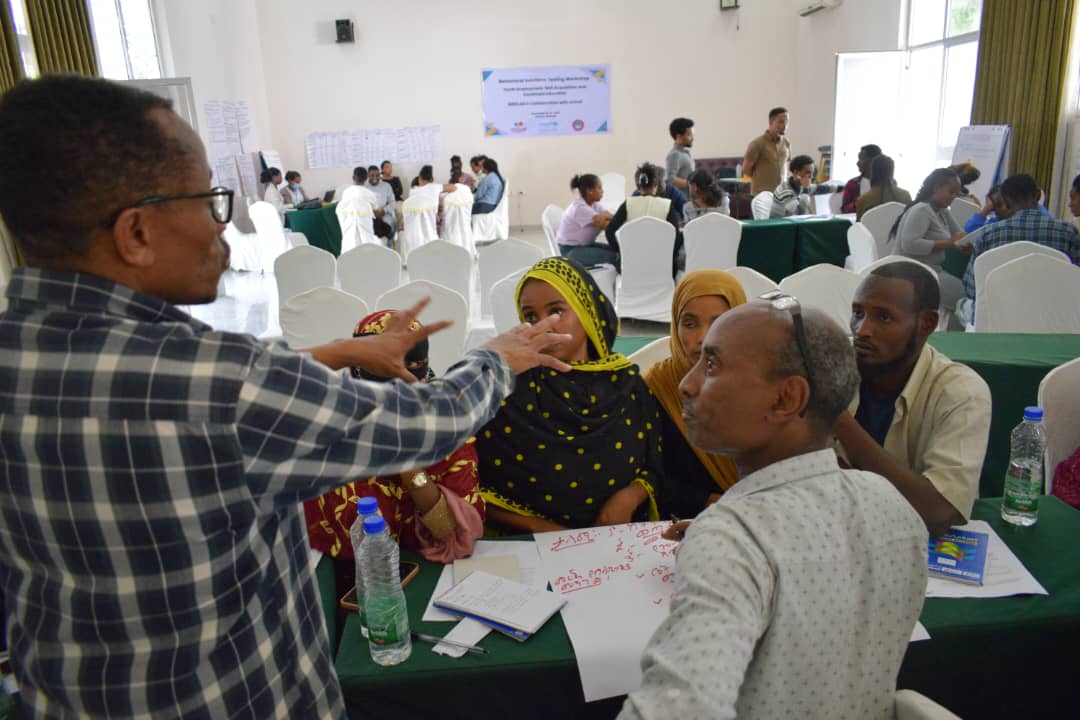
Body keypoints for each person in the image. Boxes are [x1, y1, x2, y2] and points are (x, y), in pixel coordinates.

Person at [0, 74, 574, 719]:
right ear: (136, 232)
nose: (223, 229)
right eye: (209, 201)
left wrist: (336, 353)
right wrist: (497, 357)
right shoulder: (218, 382)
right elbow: (430, 422)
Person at [619, 300, 927, 720]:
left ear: (786, 398)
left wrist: (722, 547)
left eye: (712, 365)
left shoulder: (731, 538)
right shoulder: (888, 502)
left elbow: (681, 708)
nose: (686, 385)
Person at [305, 309, 485, 618]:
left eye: (414, 368)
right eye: (384, 371)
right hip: (341, 578)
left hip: (430, 575)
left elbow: (454, 534)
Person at [477, 256, 664, 532]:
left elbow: (658, 462)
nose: (544, 326)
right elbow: (471, 487)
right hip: (533, 545)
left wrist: (631, 496)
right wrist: (538, 527)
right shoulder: (509, 393)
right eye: (530, 317)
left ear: (586, 311)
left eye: (557, 311)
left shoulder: (626, 383)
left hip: (619, 540)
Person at [835, 263, 992, 536]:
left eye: (883, 317)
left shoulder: (962, 393)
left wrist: (838, 419)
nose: (862, 330)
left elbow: (938, 514)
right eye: (858, 313)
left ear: (926, 324)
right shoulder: (831, 368)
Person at [645, 271, 745, 519]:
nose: (702, 338)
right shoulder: (656, 388)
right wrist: (710, 502)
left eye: (719, 324)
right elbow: (647, 476)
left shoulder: (761, 384)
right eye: (690, 324)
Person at [961, 173, 1080, 317]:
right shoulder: (1068, 232)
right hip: (1054, 316)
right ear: (1038, 195)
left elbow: (971, 286)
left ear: (1005, 202)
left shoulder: (988, 233)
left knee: (962, 305)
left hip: (999, 317)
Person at [889, 167, 969, 310]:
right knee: (963, 299)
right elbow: (910, 244)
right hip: (911, 274)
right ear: (936, 188)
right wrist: (950, 243)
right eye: (951, 192)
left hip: (930, 270)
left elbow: (959, 234)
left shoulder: (942, 211)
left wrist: (964, 245)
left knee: (966, 294)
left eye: (956, 193)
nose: (954, 197)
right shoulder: (921, 210)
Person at [605, 163, 685, 275]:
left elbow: (609, 231)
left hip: (631, 267)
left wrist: (621, 250)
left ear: (637, 186)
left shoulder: (628, 204)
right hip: (663, 268)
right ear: (656, 184)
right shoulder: (667, 205)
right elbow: (676, 238)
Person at [556, 173, 614, 265]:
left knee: (617, 250)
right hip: (571, 251)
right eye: (599, 188)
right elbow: (606, 224)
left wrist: (608, 217)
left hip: (584, 245)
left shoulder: (593, 204)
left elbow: (611, 217)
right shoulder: (579, 208)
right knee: (614, 256)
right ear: (589, 191)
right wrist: (607, 218)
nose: (602, 191)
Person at [743, 106, 792, 195]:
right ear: (770, 122)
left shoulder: (786, 143)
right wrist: (762, 180)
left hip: (781, 193)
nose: (785, 126)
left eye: (787, 122)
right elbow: (746, 169)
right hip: (761, 194)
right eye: (781, 122)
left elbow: (786, 164)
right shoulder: (757, 144)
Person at [854, 154, 912, 220]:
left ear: (872, 172)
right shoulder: (905, 195)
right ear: (892, 172)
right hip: (899, 227)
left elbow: (859, 225)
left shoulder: (863, 200)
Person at [841, 144, 882, 213]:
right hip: (859, 219)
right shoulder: (852, 184)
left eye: (861, 158)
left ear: (873, 161)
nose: (857, 163)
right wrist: (859, 204)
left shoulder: (888, 183)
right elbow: (844, 209)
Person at [362, 164, 396, 243]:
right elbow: (361, 204)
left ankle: (389, 244)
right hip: (369, 215)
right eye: (372, 175)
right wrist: (372, 212)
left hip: (384, 213)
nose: (375, 178)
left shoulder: (386, 186)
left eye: (377, 175)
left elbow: (392, 202)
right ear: (368, 176)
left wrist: (383, 211)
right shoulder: (364, 188)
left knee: (390, 223)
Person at [665, 117, 694, 191]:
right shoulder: (674, 154)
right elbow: (670, 178)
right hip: (682, 198)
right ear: (679, 137)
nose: (692, 138)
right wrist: (692, 184)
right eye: (689, 135)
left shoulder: (685, 153)